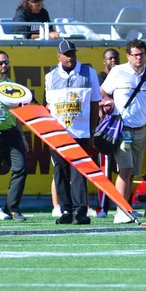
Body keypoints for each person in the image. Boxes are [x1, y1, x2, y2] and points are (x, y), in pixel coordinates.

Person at [101, 39, 146, 224]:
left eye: (141, 54)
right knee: (124, 169)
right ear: (128, 56)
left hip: (140, 129)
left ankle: (126, 207)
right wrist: (107, 104)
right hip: (121, 127)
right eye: (135, 55)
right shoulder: (118, 71)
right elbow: (102, 91)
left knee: (133, 172)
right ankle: (120, 209)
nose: (139, 58)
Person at [45, 40, 102, 225]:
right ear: (59, 56)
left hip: (81, 132)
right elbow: (49, 107)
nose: (70, 57)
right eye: (67, 54)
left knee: (79, 172)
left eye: (73, 53)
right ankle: (65, 211)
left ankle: (80, 211)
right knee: (60, 172)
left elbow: (94, 103)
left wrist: (93, 130)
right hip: (58, 132)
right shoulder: (50, 76)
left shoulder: (89, 72)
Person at [0, 51, 29, 222]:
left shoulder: (13, 87)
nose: (3, 66)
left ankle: (12, 208)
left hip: (11, 134)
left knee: (21, 168)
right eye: (0, 63)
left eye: (5, 62)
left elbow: (18, 115)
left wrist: (22, 137)